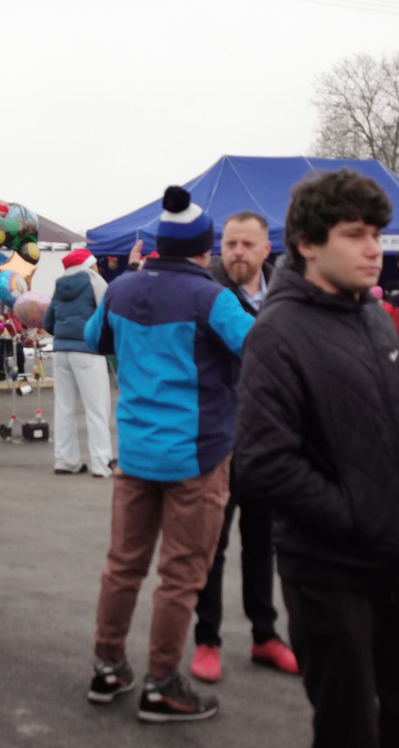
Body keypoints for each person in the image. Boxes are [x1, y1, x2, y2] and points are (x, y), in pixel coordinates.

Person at [236, 169, 399, 748]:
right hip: (326, 571)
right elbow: (261, 461)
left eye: (376, 233)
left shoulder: (374, 317)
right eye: (354, 234)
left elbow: (388, 436)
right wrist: (357, 516)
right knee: (348, 731)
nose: (373, 249)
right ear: (308, 243)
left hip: (397, 559)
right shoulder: (276, 333)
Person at [83, 187, 254, 724]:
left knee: (123, 565)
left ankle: (108, 666)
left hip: (135, 452)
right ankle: (162, 682)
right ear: (205, 248)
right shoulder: (212, 298)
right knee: (181, 575)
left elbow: (94, 340)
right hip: (196, 458)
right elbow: (261, 349)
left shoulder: (120, 290)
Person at [189, 212, 298, 683]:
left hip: (271, 443)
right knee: (210, 546)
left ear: (265, 249)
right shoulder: (207, 294)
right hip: (219, 440)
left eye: (245, 244)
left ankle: (264, 635)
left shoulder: (288, 296)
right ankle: (207, 641)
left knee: (263, 543)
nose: (236, 252)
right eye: (229, 243)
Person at [43, 248, 114, 478]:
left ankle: (65, 461)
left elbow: (48, 322)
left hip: (61, 352)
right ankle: (102, 464)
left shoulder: (60, 284)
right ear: (89, 264)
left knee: (64, 407)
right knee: (97, 409)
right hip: (88, 351)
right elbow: (107, 313)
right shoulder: (94, 281)